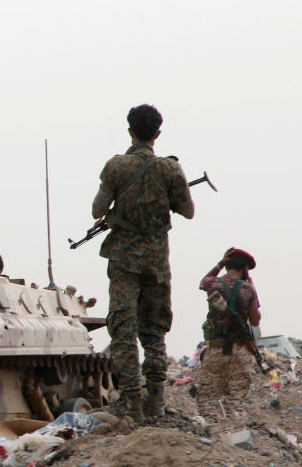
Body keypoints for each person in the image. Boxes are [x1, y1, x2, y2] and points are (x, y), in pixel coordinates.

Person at [91, 104, 195, 423]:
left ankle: (131, 401)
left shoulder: (116, 167)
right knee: (154, 330)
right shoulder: (170, 170)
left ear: (130, 131)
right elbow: (188, 211)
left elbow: (97, 210)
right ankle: (157, 403)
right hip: (156, 264)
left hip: (124, 261)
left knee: (123, 329)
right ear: (157, 134)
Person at [196, 248, 261, 425]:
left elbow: (202, 282)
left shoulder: (212, 283)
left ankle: (210, 432)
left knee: (208, 399)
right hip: (239, 351)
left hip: (215, 350)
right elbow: (255, 321)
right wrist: (253, 290)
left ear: (227, 265)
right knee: (236, 401)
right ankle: (234, 431)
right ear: (245, 269)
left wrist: (219, 264)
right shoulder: (248, 289)